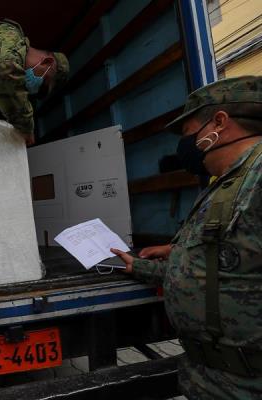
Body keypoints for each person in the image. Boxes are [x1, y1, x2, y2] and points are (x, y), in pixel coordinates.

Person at [111, 76, 262, 399]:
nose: (185, 146)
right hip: (214, 380)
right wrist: (139, 267)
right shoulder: (223, 186)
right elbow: (214, 269)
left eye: (188, 133)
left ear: (218, 123)